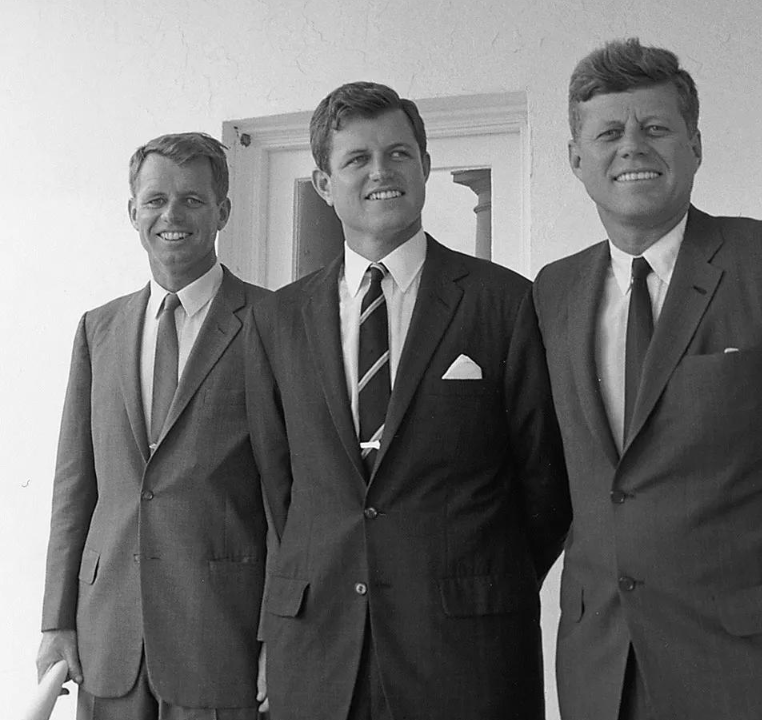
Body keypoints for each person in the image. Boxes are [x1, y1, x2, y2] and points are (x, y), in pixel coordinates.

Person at [533, 39, 762, 720]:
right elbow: (557, 481)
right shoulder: (552, 293)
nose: (632, 147)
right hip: (604, 674)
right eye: (608, 131)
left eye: (656, 127)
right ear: (575, 158)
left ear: (695, 145)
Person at [244, 81, 570, 720]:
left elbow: (546, 485)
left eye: (398, 153)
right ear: (322, 183)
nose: (380, 172)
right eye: (356, 160)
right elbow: (278, 487)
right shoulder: (276, 320)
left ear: (424, 164)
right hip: (320, 650)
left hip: (467, 648)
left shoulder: (506, 302)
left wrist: (472, 582)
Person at [37, 132, 271, 719]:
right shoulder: (98, 329)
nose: (172, 215)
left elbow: (288, 494)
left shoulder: (272, 322)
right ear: (133, 212)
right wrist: (56, 619)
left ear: (222, 211)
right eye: (155, 200)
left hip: (221, 635)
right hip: (106, 634)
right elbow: (75, 488)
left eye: (193, 200)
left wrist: (280, 632)